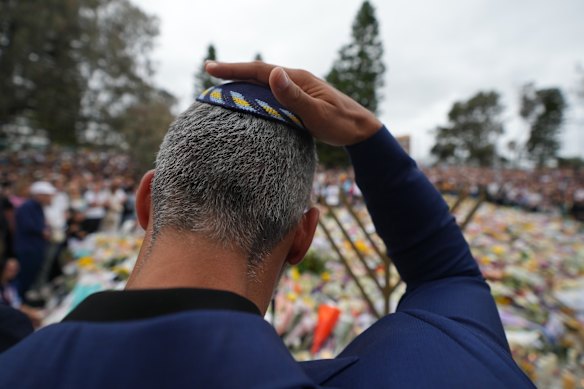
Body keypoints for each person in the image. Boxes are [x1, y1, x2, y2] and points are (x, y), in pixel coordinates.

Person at [0, 62, 534, 388]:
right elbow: (449, 279)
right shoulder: (433, 370)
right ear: (303, 236)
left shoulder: (17, 365)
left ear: (146, 202)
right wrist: (367, 136)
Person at [13, 181, 55, 299]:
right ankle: (20, 300)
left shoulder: (37, 207)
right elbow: (28, 225)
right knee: (25, 275)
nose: (49, 198)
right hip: (28, 248)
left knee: (33, 273)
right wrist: (42, 231)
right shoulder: (26, 207)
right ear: (39, 195)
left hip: (36, 247)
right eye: (47, 196)